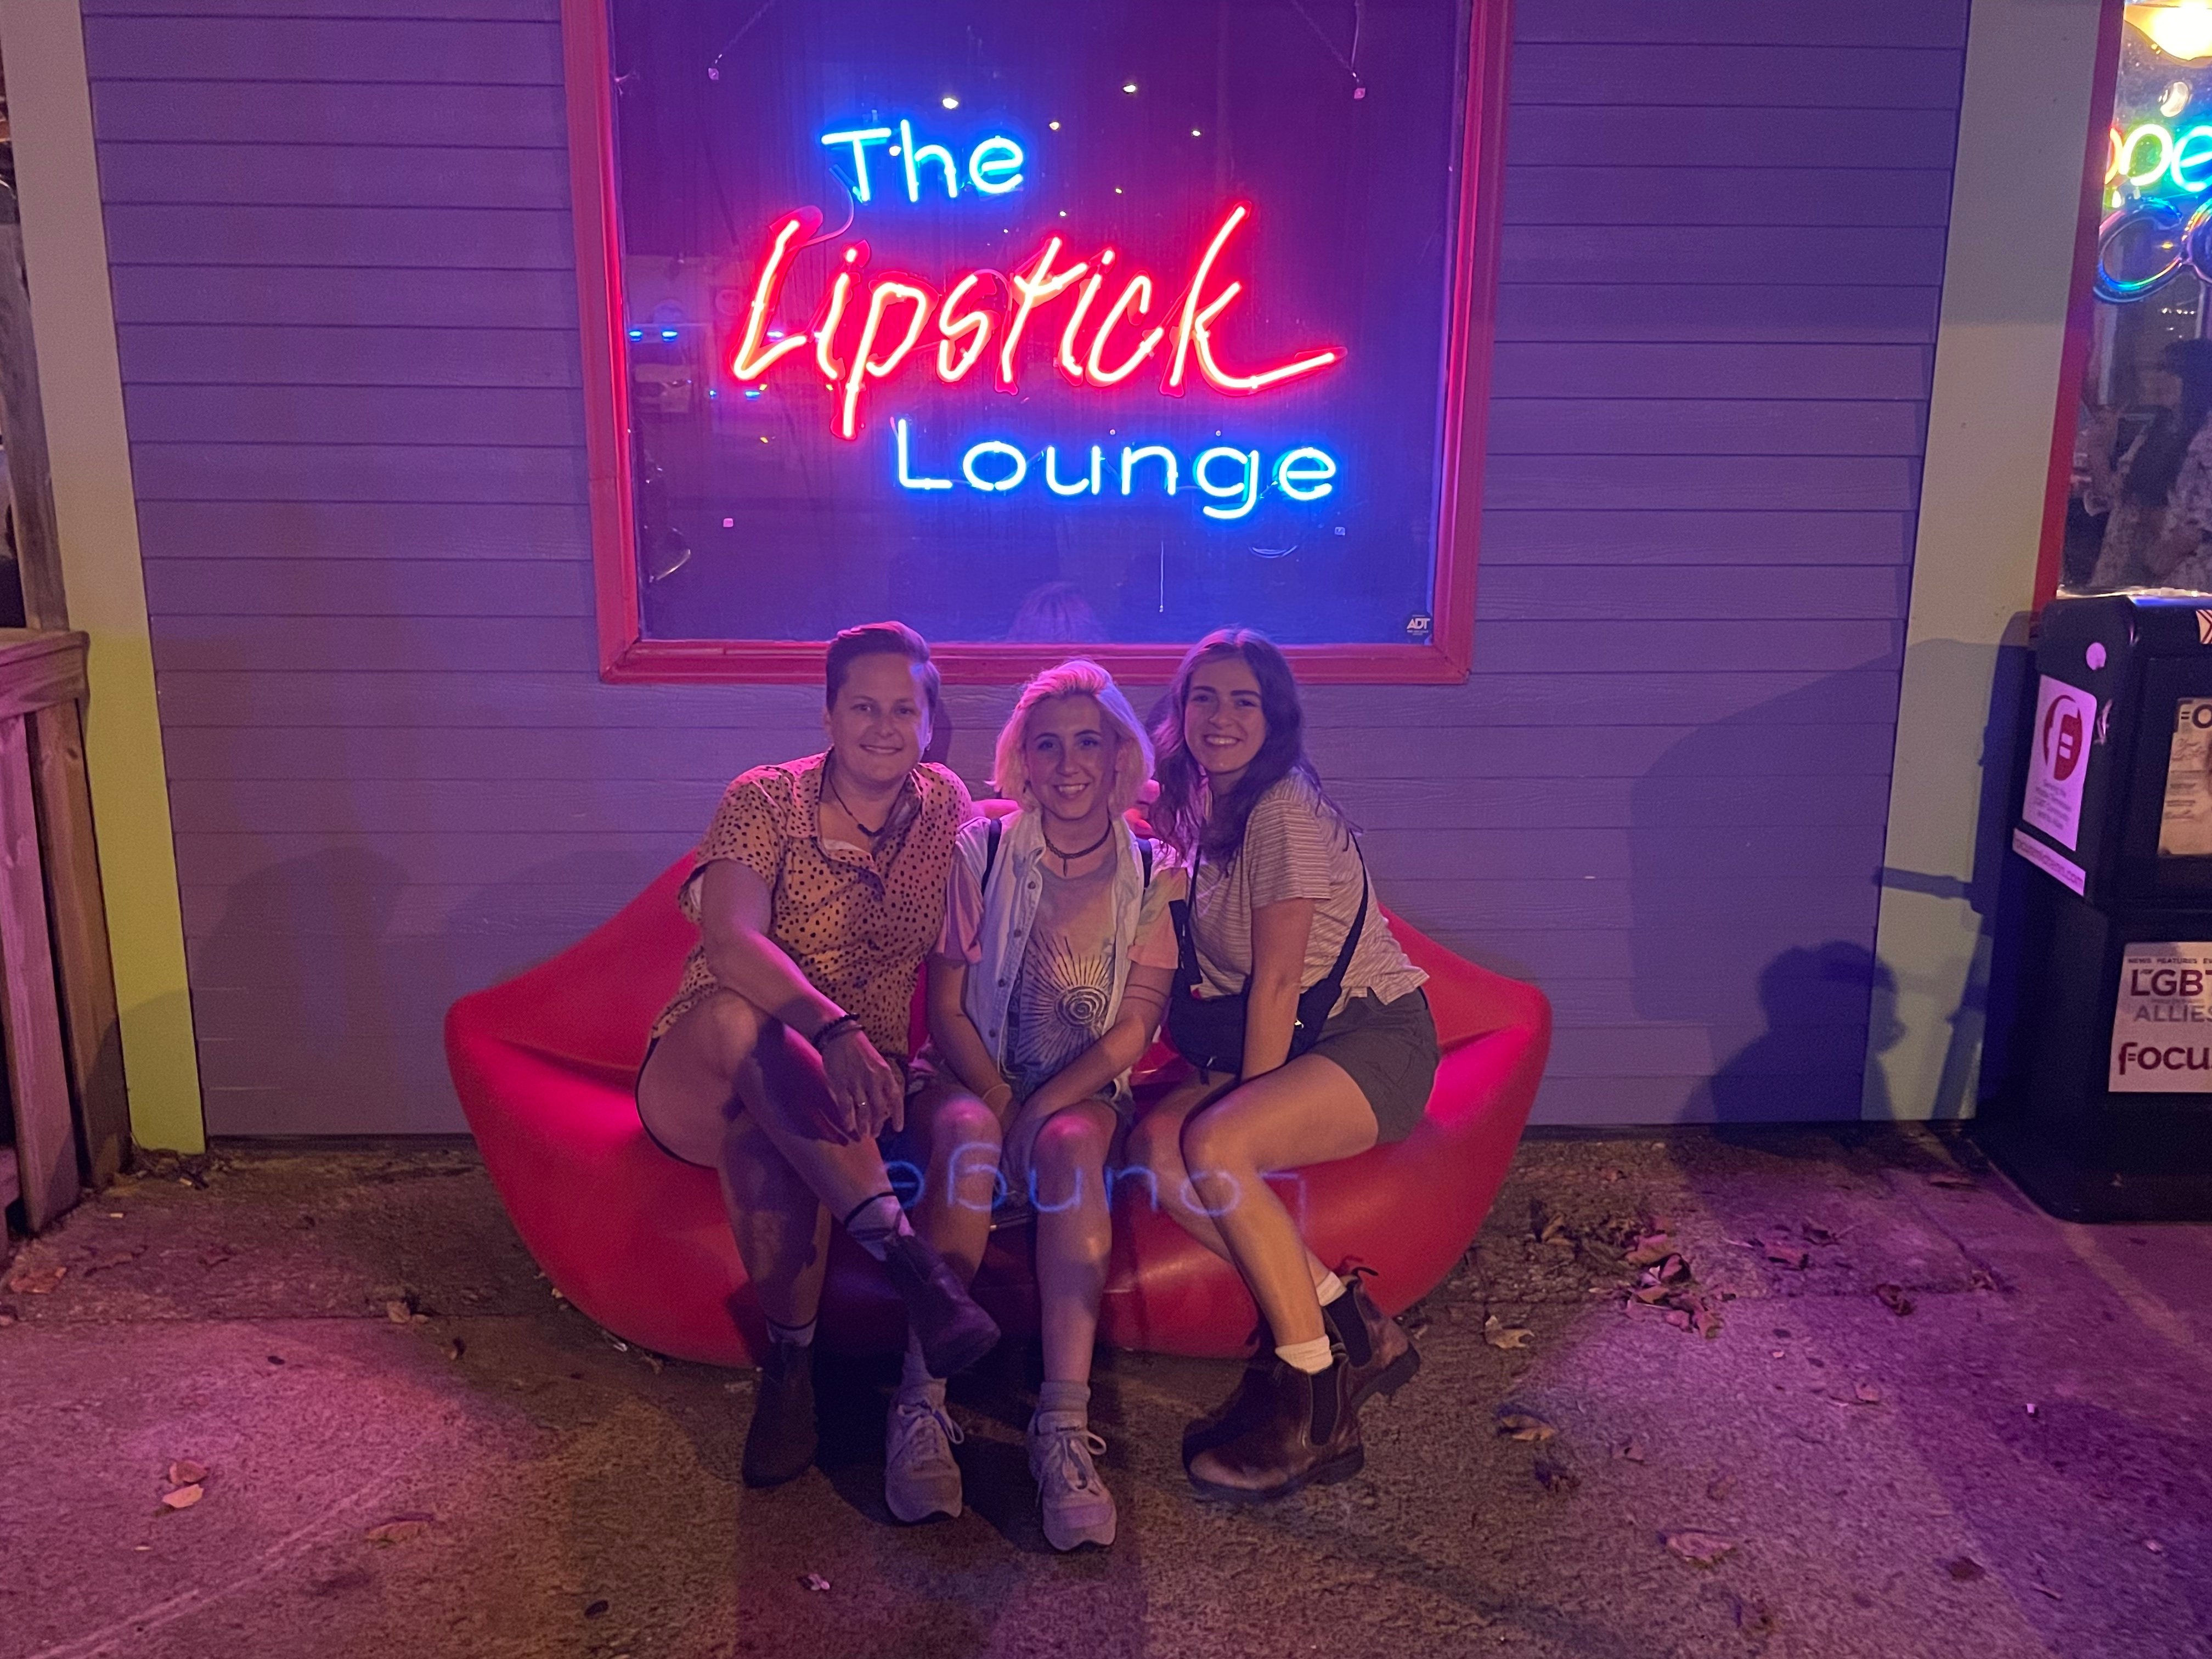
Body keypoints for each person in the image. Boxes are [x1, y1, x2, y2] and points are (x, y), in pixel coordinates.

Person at [636, 621, 999, 1489]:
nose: (883, 725)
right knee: (739, 1017)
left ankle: (791, 1375)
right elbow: (730, 942)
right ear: (829, 714)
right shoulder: (767, 800)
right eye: (862, 706)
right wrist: (832, 1029)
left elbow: (1035, 833)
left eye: (903, 708)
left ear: (930, 718)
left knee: (771, 1149)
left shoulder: (943, 805)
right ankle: (915, 1269)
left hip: (840, 1096)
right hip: (709, 1074)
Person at [1125, 628, 1437, 1502]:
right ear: (1180, 712)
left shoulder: (1282, 810)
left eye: (1244, 701)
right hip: (1295, 1043)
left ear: (1277, 718)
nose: (1220, 718)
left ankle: (1318, 1403)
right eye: (1204, 698)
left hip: (1371, 1039)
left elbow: (1276, 984)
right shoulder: (1200, 810)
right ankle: (1354, 1320)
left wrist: (1238, 1118)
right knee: (1154, 1150)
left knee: (1215, 1148)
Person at [887, 660, 1184, 1549]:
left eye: (1087, 741)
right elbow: (943, 1008)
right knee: (973, 1133)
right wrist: (996, 1096)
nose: (1066, 762)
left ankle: (1061, 1425)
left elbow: (1133, 1027)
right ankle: (921, 1401)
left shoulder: (1152, 867)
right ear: (1019, 757)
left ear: (1120, 753)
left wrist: (1037, 1103)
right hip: (966, 1072)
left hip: (1077, 1088)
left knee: (1068, 1144)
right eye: (1045, 743)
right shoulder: (978, 846)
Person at [2084, 337, 2212, 592]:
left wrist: (2177, 546)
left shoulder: (2207, 436)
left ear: (2195, 379)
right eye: (2157, 368)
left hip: (2178, 582)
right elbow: (2112, 496)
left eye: (2169, 370)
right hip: (2124, 569)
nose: (2157, 377)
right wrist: (2097, 448)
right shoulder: (2154, 431)